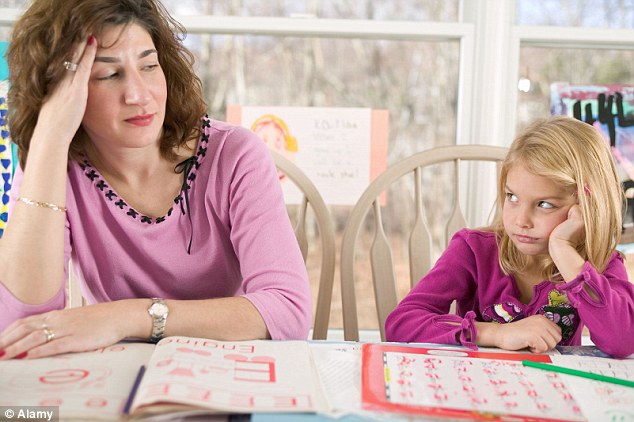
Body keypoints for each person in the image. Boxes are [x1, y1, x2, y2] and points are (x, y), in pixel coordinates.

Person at [0, 0, 311, 360]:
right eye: (109, 75)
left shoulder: (234, 155)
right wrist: (50, 136)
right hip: (117, 382)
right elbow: (20, 324)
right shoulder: (52, 169)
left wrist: (128, 317)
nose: (139, 95)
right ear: (61, 93)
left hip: (231, 367)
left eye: (149, 66)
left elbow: (287, 310)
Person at [385, 116, 634, 358]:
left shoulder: (600, 264)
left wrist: (563, 249)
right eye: (512, 197)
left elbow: (623, 341)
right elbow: (401, 323)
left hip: (554, 393)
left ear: (586, 206)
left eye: (545, 204)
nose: (520, 221)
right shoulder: (473, 250)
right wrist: (496, 334)